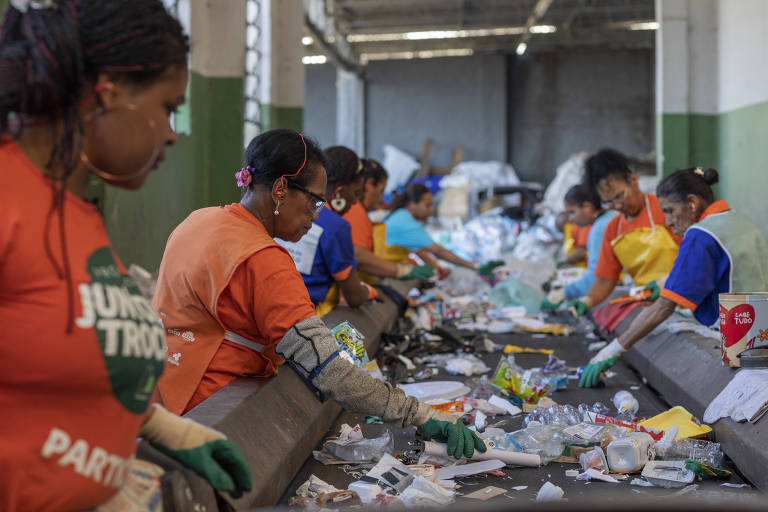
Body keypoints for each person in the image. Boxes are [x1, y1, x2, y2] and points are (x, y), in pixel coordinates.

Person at [0, 1, 252, 509]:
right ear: (107, 94)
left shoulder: (77, 215)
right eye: (167, 107)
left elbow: (54, 367)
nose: (171, 133)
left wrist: (163, 429)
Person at [153, 130, 485, 459]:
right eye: (313, 200)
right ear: (281, 188)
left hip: (162, 394)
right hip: (213, 410)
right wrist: (419, 415)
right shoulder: (263, 259)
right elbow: (330, 371)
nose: (316, 215)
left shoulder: (199, 221)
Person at [580, 167, 768, 387]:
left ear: (692, 203)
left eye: (669, 210)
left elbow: (663, 307)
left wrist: (613, 349)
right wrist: (666, 284)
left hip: (733, 341)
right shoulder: (742, 223)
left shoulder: (701, 235)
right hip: (760, 337)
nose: (668, 221)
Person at [568, 148, 680, 316]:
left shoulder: (665, 210)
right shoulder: (613, 229)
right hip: (650, 304)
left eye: (619, 196)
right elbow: (605, 280)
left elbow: (694, 258)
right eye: (609, 202)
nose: (617, 206)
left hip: (682, 298)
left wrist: (666, 282)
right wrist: (588, 300)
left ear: (633, 180)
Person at [292, 145, 379, 316]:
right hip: (303, 316)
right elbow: (354, 297)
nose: (355, 203)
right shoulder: (337, 226)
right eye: (356, 194)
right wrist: (367, 292)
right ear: (339, 190)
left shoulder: (292, 210)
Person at [343, 158, 434, 282]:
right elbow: (358, 255)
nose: (381, 199)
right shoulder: (355, 211)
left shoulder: (358, 211)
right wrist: (403, 270)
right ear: (369, 185)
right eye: (381, 191)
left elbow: (417, 248)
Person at [542, 185, 617, 309]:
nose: (570, 218)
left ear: (587, 207)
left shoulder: (600, 228)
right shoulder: (610, 216)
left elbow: (597, 277)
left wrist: (563, 293)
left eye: (572, 212)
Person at [383, 183, 477, 276]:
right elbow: (438, 251)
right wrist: (473, 265)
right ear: (412, 204)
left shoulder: (400, 215)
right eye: (427, 205)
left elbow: (419, 250)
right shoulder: (406, 221)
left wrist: (438, 269)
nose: (431, 210)